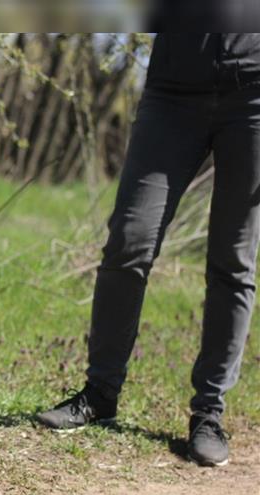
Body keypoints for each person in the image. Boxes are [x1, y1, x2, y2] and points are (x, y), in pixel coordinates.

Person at [36, 33, 260, 467]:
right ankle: (100, 393)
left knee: (233, 260)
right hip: (173, 93)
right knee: (128, 241)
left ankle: (208, 413)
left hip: (252, 95)